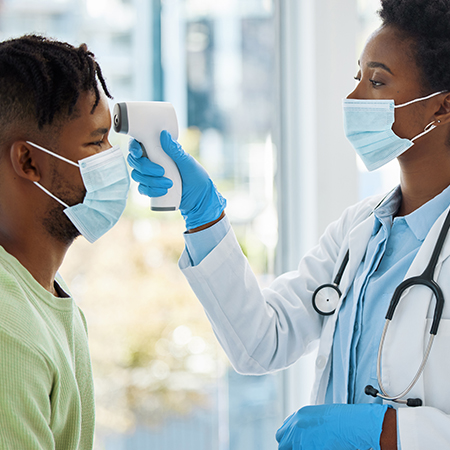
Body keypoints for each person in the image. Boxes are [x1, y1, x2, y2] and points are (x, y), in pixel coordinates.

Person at [128, 0, 450, 448]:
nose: (354, 98)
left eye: (376, 81)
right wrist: (204, 216)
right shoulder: (359, 232)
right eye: (356, 77)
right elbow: (260, 342)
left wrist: (388, 433)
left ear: (441, 108)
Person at [0, 35, 129, 448]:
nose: (113, 158)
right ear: (29, 161)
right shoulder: (9, 331)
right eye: (96, 142)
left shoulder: (47, 297)